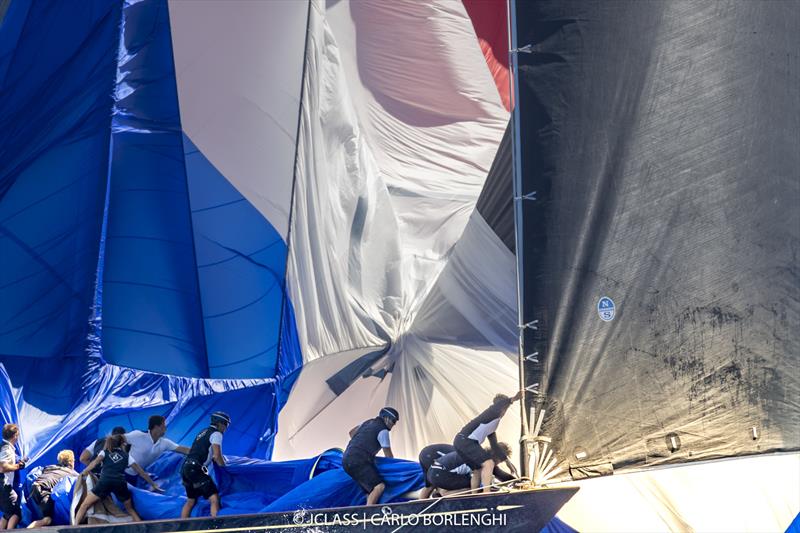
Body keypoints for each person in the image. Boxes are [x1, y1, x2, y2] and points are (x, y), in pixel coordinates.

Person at [74, 434, 162, 524]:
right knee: (130, 509)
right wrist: (153, 484)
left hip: (105, 481)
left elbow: (94, 463)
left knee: (84, 505)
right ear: (122, 444)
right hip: (120, 483)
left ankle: (74, 528)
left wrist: (84, 471)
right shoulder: (127, 456)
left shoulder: (104, 452)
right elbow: (141, 472)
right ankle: (142, 529)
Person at [453, 391, 521, 493]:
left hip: (460, 442)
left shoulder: (492, 423)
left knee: (477, 471)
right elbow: (498, 405)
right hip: (465, 441)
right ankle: (486, 493)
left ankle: (474, 495)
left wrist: (507, 462)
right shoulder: (492, 413)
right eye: (505, 407)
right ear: (503, 407)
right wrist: (513, 399)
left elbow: (494, 445)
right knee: (489, 463)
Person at [343, 407, 399, 506]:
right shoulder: (383, 430)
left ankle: (366, 511)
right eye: (393, 421)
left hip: (346, 459)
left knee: (370, 491)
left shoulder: (367, 422)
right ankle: (368, 513)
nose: (394, 424)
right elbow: (388, 456)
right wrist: (396, 470)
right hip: (359, 460)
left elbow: (351, 432)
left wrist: (362, 442)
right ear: (386, 418)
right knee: (379, 486)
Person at [180, 412, 230, 519]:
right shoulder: (217, 434)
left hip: (185, 468)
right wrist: (225, 469)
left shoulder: (203, 432)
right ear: (220, 423)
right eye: (226, 424)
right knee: (214, 498)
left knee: (191, 501)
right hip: (195, 469)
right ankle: (215, 528)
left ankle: (182, 527)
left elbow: (202, 451)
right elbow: (217, 455)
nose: (226, 428)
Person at [427, 443, 514, 496]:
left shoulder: (482, 453)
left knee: (476, 484)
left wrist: (518, 480)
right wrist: (475, 495)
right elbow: (476, 478)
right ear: (496, 456)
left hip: (433, 472)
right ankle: (445, 494)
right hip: (439, 474)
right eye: (501, 460)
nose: (500, 463)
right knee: (475, 486)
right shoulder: (483, 460)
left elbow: (502, 476)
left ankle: (442, 492)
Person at [123, 416, 189, 482]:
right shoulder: (138, 435)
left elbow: (184, 449)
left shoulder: (164, 443)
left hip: (137, 475)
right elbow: (117, 439)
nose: (165, 429)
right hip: (122, 472)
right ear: (156, 427)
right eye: (163, 427)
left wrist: (197, 451)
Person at [26, 450, 78, 528]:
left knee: (43, 515)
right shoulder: (71, 473)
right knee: (47, 520)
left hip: (34, 488)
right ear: (70, 462)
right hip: (43, 490)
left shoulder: (50, 467)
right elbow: (79, 479)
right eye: (73, 460)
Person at [0, 424, 26, 530]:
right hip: (4, 485)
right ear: (15, 435)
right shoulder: (6, 449)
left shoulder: (5, 447)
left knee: (7, 513)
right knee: (16, 512)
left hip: (3, 486)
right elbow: (2, 467)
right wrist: (18, 466)